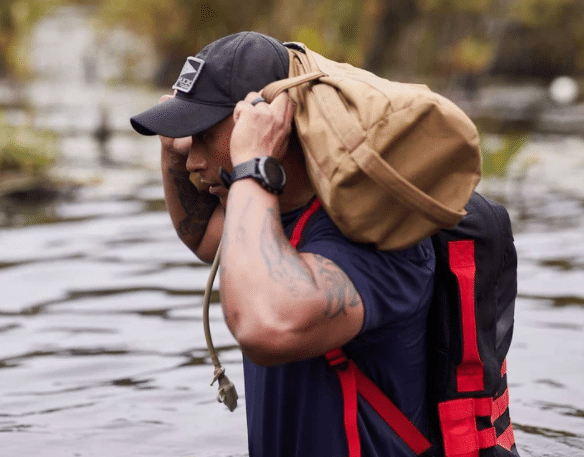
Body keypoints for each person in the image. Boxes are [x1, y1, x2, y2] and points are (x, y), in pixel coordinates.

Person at [131, 31, 435, 457]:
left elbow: (264, 326)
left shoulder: (378, 238)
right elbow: (202, 237)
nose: (193, 160)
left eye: (202, 135)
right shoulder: (277, 211)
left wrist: (253, 164)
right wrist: (172, 150)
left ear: (270, 124)